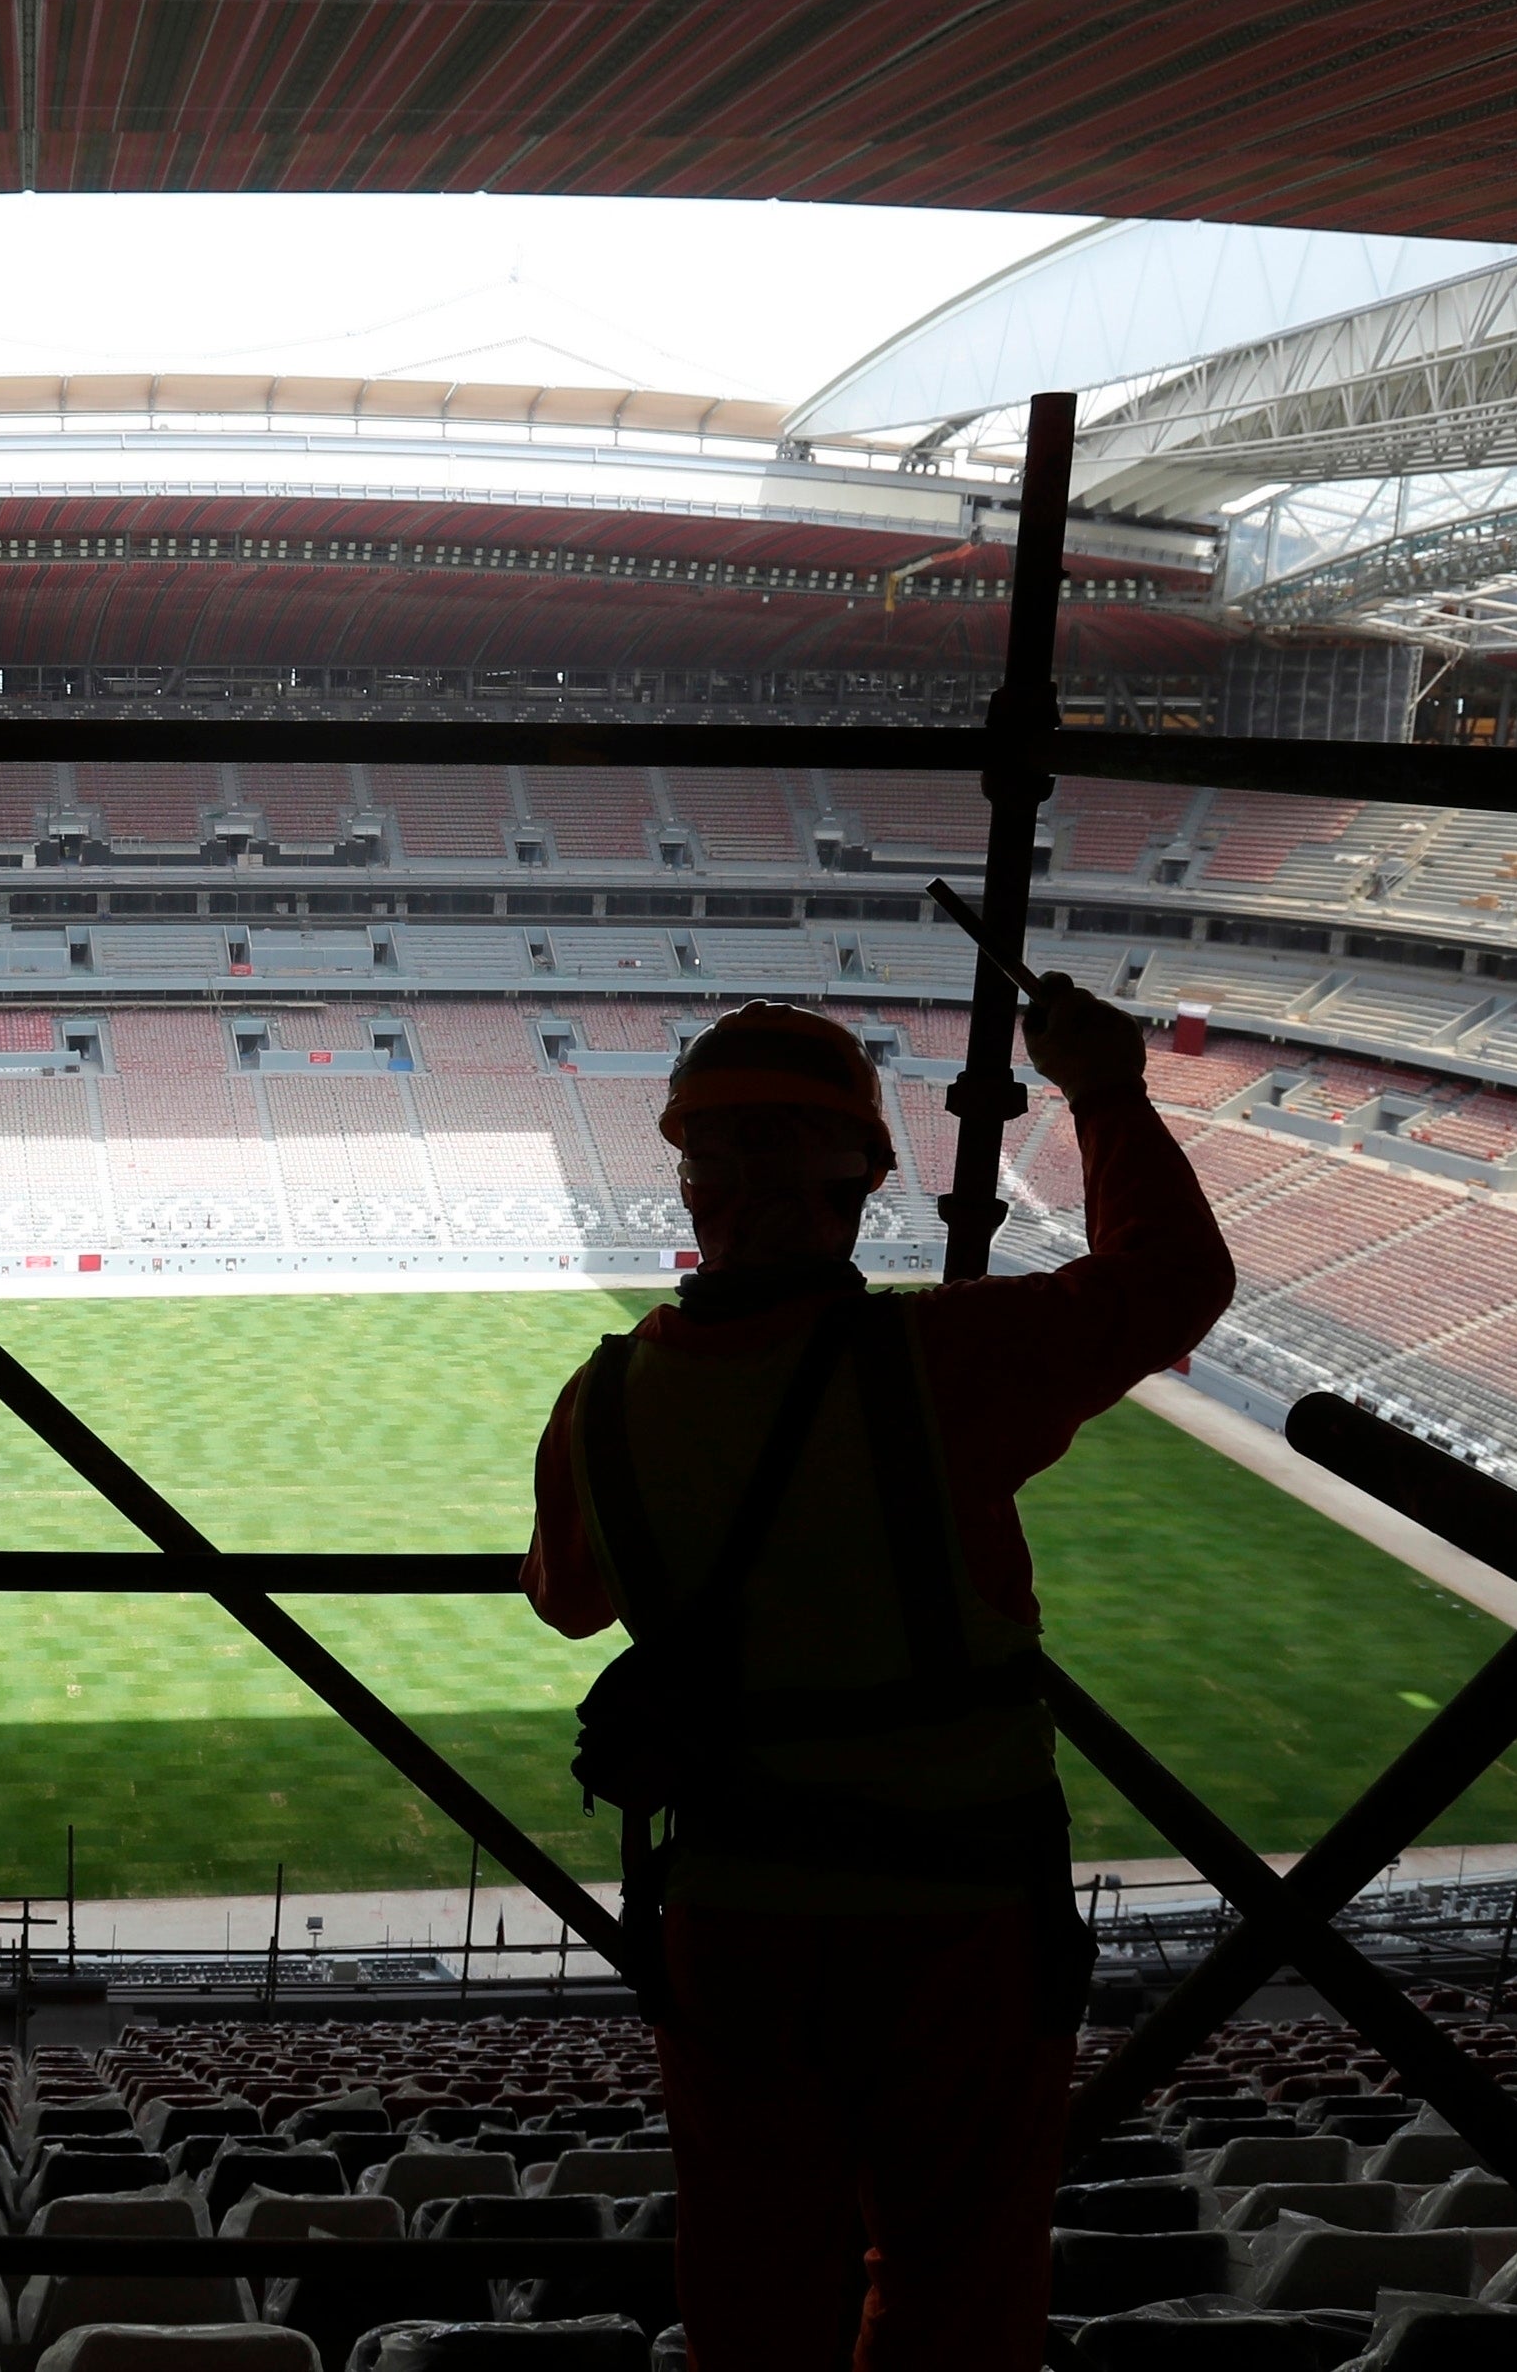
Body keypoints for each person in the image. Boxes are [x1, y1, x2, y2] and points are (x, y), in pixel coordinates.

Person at [522, 989, 1233, 2370]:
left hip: (733, 1913)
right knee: (956, 2281)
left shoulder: (600, 1399)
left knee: (752, 2278)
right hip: (957, 1914)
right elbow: (1173, 1281)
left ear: (688, 1179)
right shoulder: (949, 1354)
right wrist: (1102, 1088)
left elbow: (568, 1600)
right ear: (866, 1176)